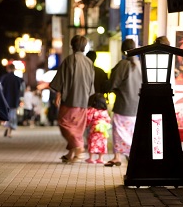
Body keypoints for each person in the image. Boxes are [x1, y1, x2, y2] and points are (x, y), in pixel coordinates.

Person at [49, 35, 95, 163]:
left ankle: (79, 148)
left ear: (72, 46)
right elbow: (92, 84)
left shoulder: (69, 60)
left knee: (64, 123)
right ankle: (71, 154)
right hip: (83, 100)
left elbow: (61, 80)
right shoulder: (89, 62)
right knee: (77, 127)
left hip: (70, 99)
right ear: (84, 47)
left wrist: (58, 94)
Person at [104, 38, 142, 167]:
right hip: (138, 106)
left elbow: (113, 82)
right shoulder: (141, 65)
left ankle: (117, 156)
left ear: (124, 50)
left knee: (119, 131)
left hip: (123, 104)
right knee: (133, 131)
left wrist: (107, 88)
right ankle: (134, 154)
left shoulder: (123, 64)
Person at [0, 63, 25, 137]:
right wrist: (21, 98)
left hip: (5, 100)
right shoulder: (19, 79)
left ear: (7, 69)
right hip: (15, 100)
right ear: (14, 69)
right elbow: (22, 90)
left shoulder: (3, 78)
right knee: (13, 115)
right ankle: (9, 130)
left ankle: (7, 128)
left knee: (6, 115)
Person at [85, 93, 111, 164]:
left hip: (94, 129)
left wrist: (86, 125)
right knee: (102, 143)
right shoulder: (104, 111)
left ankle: (91, 158)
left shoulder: (92, 110)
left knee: (92, 143)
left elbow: (88, 118)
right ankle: (100, 159)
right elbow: (108, 119)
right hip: (103, 130)